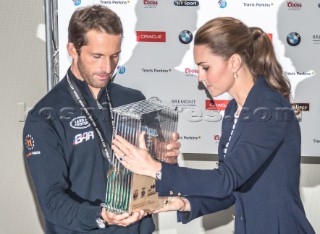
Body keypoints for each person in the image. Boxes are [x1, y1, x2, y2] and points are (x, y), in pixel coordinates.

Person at [112, 17, 316, 234]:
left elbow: (225, 181)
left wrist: (154, 167)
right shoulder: (232, 110)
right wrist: (185, 203)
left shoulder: (270, 108)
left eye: (205, 67)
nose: (200, 77)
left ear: (235, 62)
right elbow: (232, 188)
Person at [23, 5, 180, 234]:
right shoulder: (44, 117)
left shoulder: (134, 100)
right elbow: (51, 201)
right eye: (97, 56)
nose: (107, 67)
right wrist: (101, 215)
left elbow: (159, 179)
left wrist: (167, 162)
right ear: (72, 50)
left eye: (114, 56)